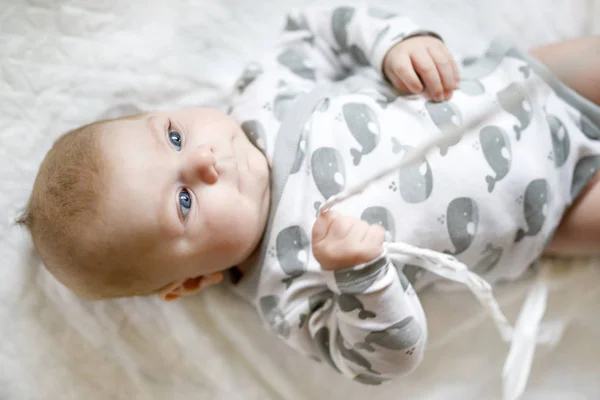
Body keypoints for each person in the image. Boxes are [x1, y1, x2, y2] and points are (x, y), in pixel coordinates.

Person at [17, 5, 600, 385]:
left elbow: (325, 26)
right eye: (184, 202)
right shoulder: (288, 293)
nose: (203, 158)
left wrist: (397, 44)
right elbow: (381, 361)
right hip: (549, 216)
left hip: (516, 86)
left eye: (174, 135)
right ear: (191, 281)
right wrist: (362, 278)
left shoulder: (263, 94)